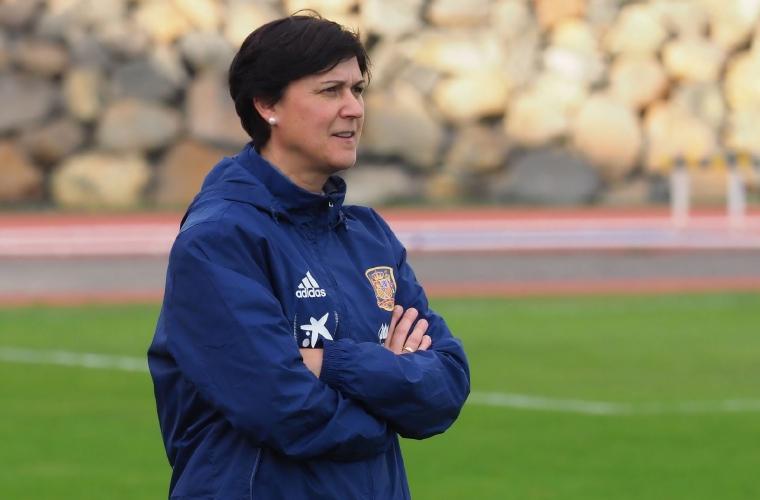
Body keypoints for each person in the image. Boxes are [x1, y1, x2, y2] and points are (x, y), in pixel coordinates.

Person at [148, 12, 470, 500]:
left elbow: (445, 385)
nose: (354, 109)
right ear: (266, 104)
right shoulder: (219, 240)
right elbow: (283, 409)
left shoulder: (368, 235)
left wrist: (332, 363)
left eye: (357, 90)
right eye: (330, 91)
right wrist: (387, 404)